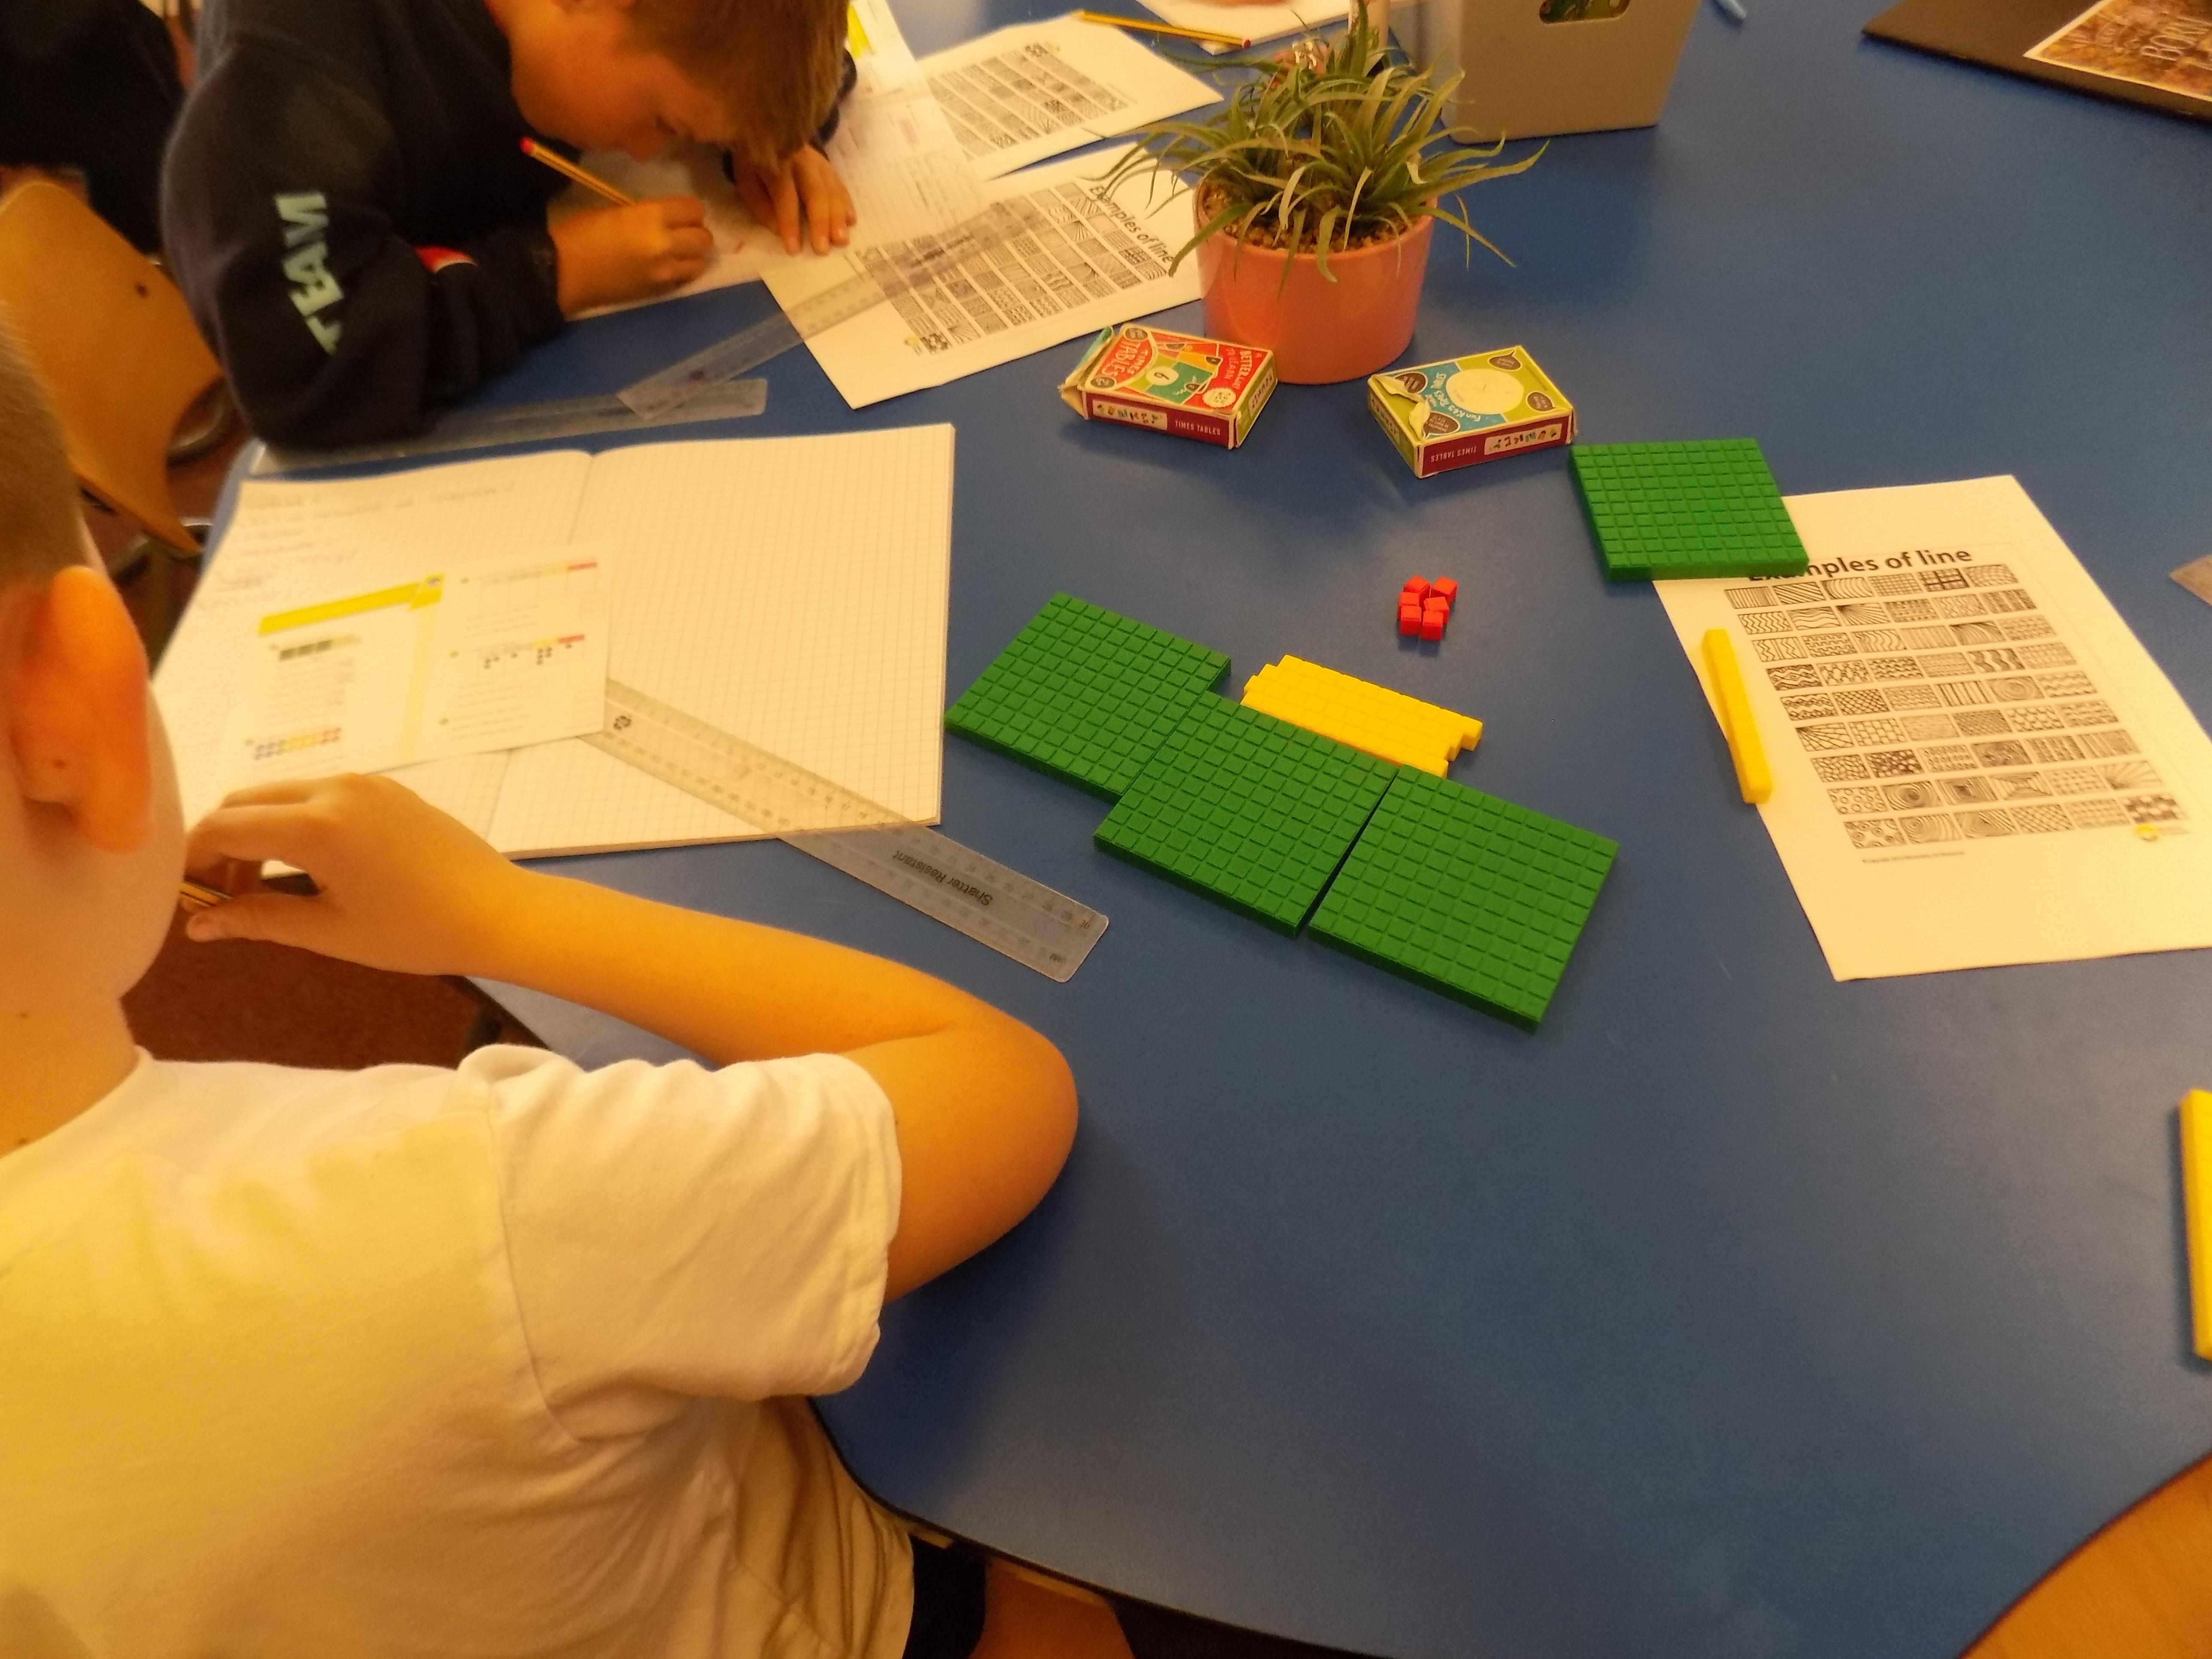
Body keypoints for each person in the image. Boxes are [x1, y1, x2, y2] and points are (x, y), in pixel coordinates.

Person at [0, 324, 1133, 1659]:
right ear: (75, 702)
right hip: (846, 1603)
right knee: (1089, 1545)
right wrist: (500, 913)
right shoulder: (465, 1208)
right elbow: (1003, 1091)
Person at [161, 0, 861, 448]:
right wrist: (552, 274)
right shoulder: (295, 73)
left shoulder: (612, 35)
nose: (653, 153)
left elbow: (790, 44)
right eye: (667, 122)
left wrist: (761, 136)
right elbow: (307, 363)